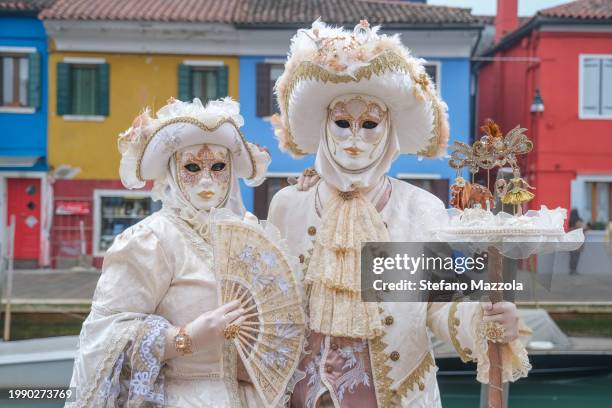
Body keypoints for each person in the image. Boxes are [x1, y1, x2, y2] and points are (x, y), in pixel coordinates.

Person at [268, 20, 531, 407]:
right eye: (342, 123)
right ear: (324, 126)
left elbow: (440, 307)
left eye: (370, 125)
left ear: (389, 130)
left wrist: (484, 320)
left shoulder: (420, 209)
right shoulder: (288, 205)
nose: (355, 138)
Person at [66, 97, 294, 407]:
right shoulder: (151, 240)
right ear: (172, 169)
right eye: (191, 167)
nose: (206, 180)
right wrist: (184, 338)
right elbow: (105, 336)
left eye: (217, 167)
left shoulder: (250, 236)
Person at [569, 208, 586, 275]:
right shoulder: (579, 221)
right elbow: (584, 228)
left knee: (572, 256)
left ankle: (571, 270)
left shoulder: (569, 221)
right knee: (576, 257)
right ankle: (574, 270)